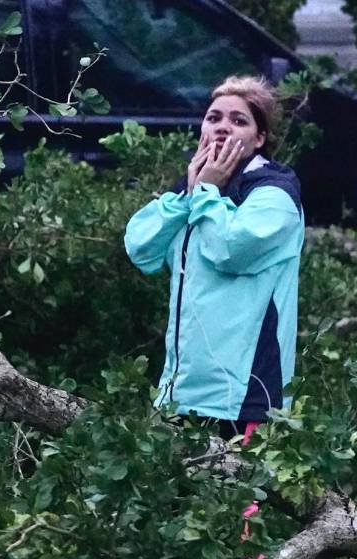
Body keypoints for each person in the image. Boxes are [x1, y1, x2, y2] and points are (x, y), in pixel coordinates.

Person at [123, 75, 305, 445]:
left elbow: (230, 250)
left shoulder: (275, 194)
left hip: (246, 398)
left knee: (241, 486)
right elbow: (141, 248)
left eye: (239, 120)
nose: (223, 126)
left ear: (259, 138)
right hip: (182, 392)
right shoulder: (195, 191)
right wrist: (190, 195)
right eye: (214, 117)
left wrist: (206, 191)